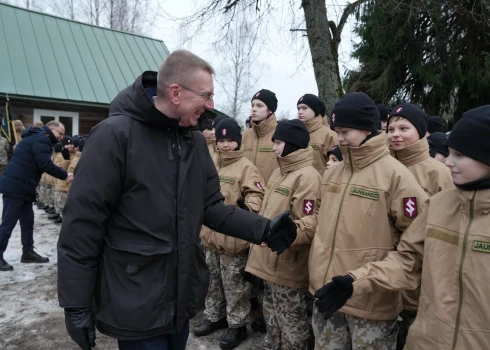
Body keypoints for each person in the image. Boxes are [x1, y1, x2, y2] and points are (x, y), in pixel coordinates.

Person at [57, 50, 298, 350]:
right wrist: (75, 303)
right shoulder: (115, 136)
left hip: (180, 296)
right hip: (136, 298)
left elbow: (212, 207)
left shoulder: (194, 141)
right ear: (175, 92)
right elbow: (82, 223)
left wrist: (264, 228)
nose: (211, 106)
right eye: (206, 95)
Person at [315, 105, 490, 350]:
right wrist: (354, 280)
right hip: (429, 340)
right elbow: (409, 259)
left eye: (460, 155)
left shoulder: (414, 176)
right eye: (450, 153)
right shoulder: (439, 206)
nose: (448, 161)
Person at [309, 92, 428, 349]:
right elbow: (320, 220)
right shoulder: (333, 173)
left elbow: (415, 245)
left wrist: (360, 280)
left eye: (345, 131)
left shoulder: (397, 177)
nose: (338, 138)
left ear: (367, 129)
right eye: (336, 131)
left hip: (370, 302)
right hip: (328, 294)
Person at [246, 119, 322, 350]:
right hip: (268, 260)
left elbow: (306, 223)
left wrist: (289, 236)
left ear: (293, 144)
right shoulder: (280, 173)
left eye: (278, 142)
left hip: (288, 262)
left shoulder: (307, 176)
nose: (274, 147)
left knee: (291, 321)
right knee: (271, 314)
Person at [386, 103, 453, 349]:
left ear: (422, 131)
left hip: (419, 270)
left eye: (404, 128)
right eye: (391, 128)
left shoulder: (438, 173)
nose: (395, 134)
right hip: (383, 267)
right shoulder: (382, 167)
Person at [195, 118, 265, 349]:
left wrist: (248, 209)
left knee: (235, 285)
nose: (225, 145)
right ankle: (215, 317)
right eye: (221, 140)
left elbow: (256, 194)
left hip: (233, 238)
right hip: (210, 237)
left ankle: (237, 326)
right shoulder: (211, 162)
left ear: (238, 141)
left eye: (230, 140)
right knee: (213, 281)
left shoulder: (246, 166)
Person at [0, 121, 72, 271]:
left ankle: (27, 252)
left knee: (27, 221)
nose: (61, 137)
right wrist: (65, 175)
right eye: (60, 133)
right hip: (16, 187)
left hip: (24, 187)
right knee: (8, 223)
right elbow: (44, 164)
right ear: (51, 130)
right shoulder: (42, 139)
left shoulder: (37, 137)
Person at [242, 89, 279, 184]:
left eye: (259, 106)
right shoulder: (245, 135)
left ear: (270, 110)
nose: (254, 109)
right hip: (246, 193)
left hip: (270, 193)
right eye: (252, 105)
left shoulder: (280, 134)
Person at [297, 94, 337, 175]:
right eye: (298, 108)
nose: (300, 112)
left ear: (315, 110)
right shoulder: (295, 134)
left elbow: (337, 166)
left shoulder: (329, 135)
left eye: (304, 108)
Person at [52, 137, 77, 224]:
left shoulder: (76, 154)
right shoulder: (60, 155)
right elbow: (57, 167)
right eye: (67, 144)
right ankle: (61, 215)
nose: (70, 146)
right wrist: (66, 160)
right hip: (62, 182)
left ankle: (66, 217)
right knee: (61, 201)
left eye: (71, 144)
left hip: (72, 183)